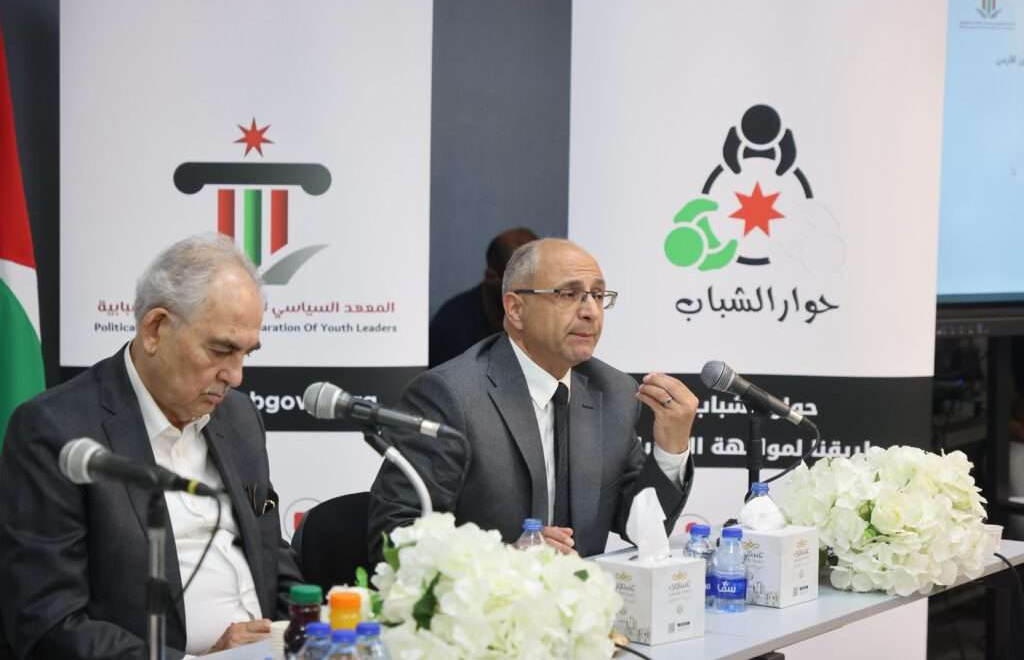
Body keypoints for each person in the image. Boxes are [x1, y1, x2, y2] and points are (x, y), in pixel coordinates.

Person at [0, 233, 303, 659]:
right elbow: (49, 620)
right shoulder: (56, 431)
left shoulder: (238, 418)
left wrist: (306, 632)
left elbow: (271, 553)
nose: (235, 376)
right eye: (221, 350)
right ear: (155, 329)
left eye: (246, 354)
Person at [369, 238, 698, 557]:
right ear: (515, 309)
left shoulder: (613, 392)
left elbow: (641, 527)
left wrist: (671, 447)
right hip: (485, 595)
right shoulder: (450, 396)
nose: (591, 312)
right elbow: (396, 537)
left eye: (598, 296)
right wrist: (506, 560)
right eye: (569, 294)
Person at [428, 227, 537, 367]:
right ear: (491, 277)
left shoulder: (552, 312)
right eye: (522, 283)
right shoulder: (452, 324)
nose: (534, 294)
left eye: (541, 280)